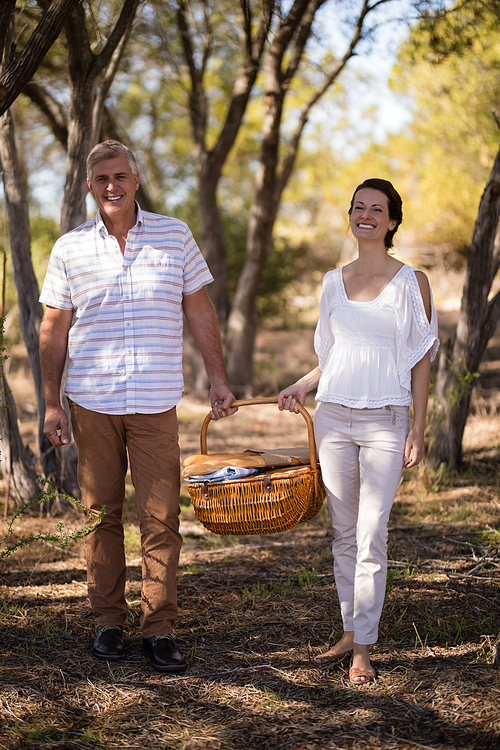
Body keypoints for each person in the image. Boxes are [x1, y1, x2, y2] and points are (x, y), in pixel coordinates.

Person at [39, 140, 236, 673]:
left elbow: (199, 308)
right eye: (101, 178)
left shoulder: (174, 235)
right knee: (100, 514)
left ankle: (159, 626)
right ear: (88, 185)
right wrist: (51, 403)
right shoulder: (69, 248)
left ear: (136, 180)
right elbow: (54, 328)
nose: (112, 186)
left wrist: (217, 378)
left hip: (154, 401)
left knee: (161, 517)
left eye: (120, 176)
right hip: (92, 403)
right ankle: (108, 621)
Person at [278, 178, 439, 684]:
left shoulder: (413, 281)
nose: (365, 215)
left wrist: (419, 425)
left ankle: (363, 649)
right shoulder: (332, 281)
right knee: (343, 532)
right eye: (358, 207)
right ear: (350, 217)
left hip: (386, 420)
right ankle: (350, 630)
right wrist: (301, 386)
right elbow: (330, 356)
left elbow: (421, 359)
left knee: (372, 532)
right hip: (333, 417)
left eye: (377, 209)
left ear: (392, 221)